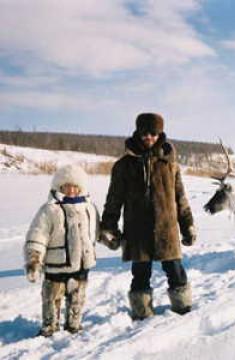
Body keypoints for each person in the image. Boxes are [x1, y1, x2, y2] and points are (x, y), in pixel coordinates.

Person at [99, 112, 196, 320]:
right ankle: (142, 313)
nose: (148, 137)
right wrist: (109, 227)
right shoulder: (124, 165)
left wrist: (188, 224)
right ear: (138, 133)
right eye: (145, 133)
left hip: (166, 228)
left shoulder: (170, 164)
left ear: (159, 134)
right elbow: (114, 199)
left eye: (153, 133)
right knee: (140, 274)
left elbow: (180, 198)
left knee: (176, 271)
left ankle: (184, 310)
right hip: (137, 229)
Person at [24, 164, 99, 336]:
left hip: (81, 263)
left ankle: (74, 325)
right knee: (51, 298)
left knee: (77, 298)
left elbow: (96, 231)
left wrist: (109, 237)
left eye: (75, 186)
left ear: (81, 188)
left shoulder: (89, 208)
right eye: (67, 186)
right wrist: (34, 259)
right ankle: (50, 326)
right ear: (59, 186)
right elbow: (38, 235)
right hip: (56, 264)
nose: (71, 190)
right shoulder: (49, 209)